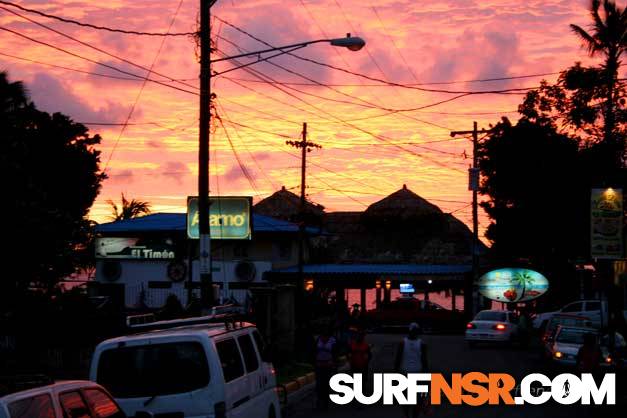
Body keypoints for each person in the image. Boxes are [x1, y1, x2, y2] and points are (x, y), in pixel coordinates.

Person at [395, 323, 429, 418]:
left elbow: (398, 359)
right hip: (413, 374)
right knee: (414, 400)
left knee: (410, 400)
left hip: (409, 373)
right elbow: (424, 360)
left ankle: (409, 416)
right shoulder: (421, 344)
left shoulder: (403, 343)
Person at [314, 327, 338, 410]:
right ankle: (319, 400)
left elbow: (335, 353)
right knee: (319, 384)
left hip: (328, 365)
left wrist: (335, 364)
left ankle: (325, 402)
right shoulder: (317, 339)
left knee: (326, 384)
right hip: (319, 365)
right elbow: (313, 351)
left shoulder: (332, 340)